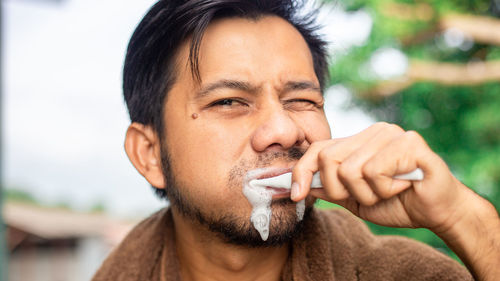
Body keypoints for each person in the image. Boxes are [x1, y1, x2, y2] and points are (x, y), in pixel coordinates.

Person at [92, 0, 500, 280]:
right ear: (150, 154)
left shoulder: (402, 272)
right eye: (230, 101)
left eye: (302, 100)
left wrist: (465, 218)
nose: (285, 130)